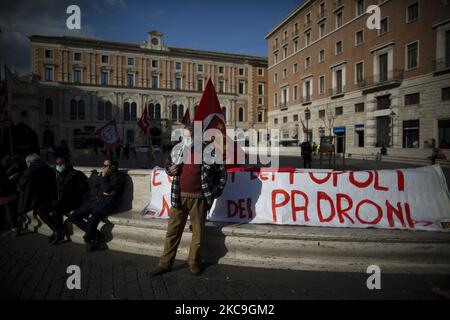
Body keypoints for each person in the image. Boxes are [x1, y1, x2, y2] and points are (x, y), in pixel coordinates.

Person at [151, 123, 227, 276]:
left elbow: (222, 174)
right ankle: (165, 263)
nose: (187, 140)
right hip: (178, 196)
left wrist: (213, 193)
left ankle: (193, 261)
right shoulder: (178, 149)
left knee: (198, 233)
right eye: (185, 137)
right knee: (173, 231)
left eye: (190, 137)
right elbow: (167, 165)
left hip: (199, 198)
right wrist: (169, 170)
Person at [70, 158, 125, 252]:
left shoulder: (119, 177)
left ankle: (88, 238)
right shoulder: (101, 175)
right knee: (74, 216)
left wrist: (104, 178)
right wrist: (103, 185)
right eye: (103, 165)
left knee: (94, 217)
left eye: (105, 166)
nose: (103, 168)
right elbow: (95, 188)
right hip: (96, 200)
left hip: (108, 203)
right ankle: (97, 235)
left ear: (113, 167)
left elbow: (106, 189)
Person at [36, 155, 89, 245]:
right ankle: (58, 229)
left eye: (61, 164)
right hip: (60, 202)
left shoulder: (77, 174)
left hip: (72, 202)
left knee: (57, 210)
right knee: (41, 210)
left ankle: (58, 232)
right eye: (57, 164)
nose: (58, 166)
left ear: (67, 163)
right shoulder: (58, 175)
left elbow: (82, 191)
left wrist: (66, 195)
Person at [17, 154, 57, 231]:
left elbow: (21, 186)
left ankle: (19, 224)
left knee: (15, 202)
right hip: (49, 197)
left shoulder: (29, 171)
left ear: (29, 162)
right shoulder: (49, 168)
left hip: (34, 200)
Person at [0, 156, 26, 234]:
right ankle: (13, 226)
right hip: (4, 192)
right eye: (7, 161)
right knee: (9, 207)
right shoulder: (4, 169)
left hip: (7, 191)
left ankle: (11, 225)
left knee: (9, 207)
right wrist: (9, 179)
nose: (8, 162)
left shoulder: (6, 168)